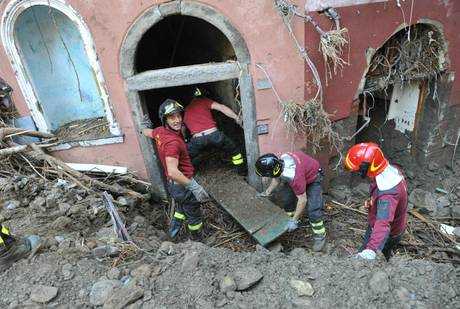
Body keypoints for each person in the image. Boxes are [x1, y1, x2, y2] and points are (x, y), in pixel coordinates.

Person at [142, 99, 211, 241]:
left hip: (174, 187)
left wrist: (142, 127)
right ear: (165, 119)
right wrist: (195, 187)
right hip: (182, 185)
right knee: (193, 214)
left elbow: (147, 132)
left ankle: (172, 234)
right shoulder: (173, 143)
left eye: (179, 115)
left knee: (181, 208)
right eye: (172, 117)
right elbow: (173, 171)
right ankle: (198, 240)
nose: (177, 120)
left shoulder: (160, 132)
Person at [344, 142, 408, 261]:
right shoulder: (387, 170)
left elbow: (383, 224)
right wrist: (373, 201)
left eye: (359, 171)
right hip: (390, 227)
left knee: (368, 262)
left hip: (385, 234)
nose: (358, 173)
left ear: (367, 168)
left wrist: (371, 250)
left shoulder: (388, 194)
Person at [255, 151, 327, 252]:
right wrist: (266, 193)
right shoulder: (281, 161)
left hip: (314, 177)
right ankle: (288, 220)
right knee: (287, 200)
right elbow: (276, 179)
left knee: (313, 210)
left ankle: (320, 235)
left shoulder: (294, 178)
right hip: (302, 173)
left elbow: (302, 200)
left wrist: (294, 221)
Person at [183, 88, 246, 175]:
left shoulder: (185, 110)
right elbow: (222, 108)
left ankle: (188, 177)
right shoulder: (203, 101)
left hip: (197, 140)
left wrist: (184, 140)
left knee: (185, 158)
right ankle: (241, 173)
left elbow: (183, 128)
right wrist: (237, 118)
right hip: (215, 135)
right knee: (235, 152)